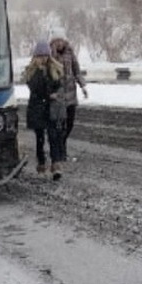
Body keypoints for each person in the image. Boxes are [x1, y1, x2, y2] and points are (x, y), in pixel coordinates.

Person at [22, 40, 65, 180]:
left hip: (50, 109)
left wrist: (55, 93)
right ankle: (41, 163)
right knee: (39, 139)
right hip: (37, 109)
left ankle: (56, 164)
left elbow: (58, 84)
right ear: (36, 57)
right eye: (41, 56)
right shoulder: (31, 72)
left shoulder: (54, 69)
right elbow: (36, 89)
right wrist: (48, 94)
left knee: (53, 136)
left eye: (46, 56)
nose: (44, 59)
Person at [50, 36, 87, 161]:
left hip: (71, 95)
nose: (59, 43)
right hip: (58, 96)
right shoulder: (50, 54)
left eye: (61, 40)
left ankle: (61, 146)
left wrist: (83, 86)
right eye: (56, 41)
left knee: (70, 124)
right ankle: (61, 152)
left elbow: (76, 70)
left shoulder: (70, 52)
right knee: (60, 125)